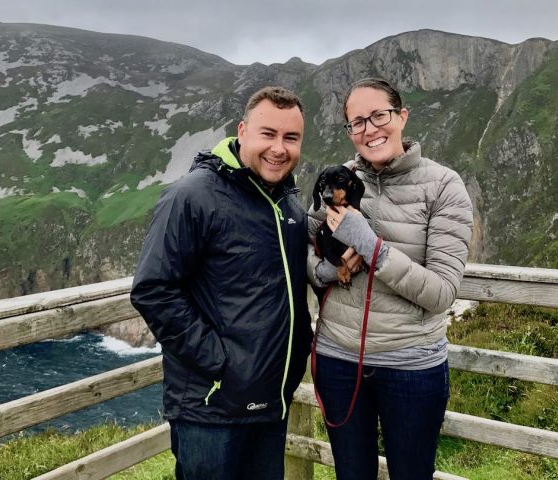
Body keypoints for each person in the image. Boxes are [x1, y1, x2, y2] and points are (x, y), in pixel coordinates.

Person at [130, 86, 313, 480]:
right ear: (242, 131)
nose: (279, 148)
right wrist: (221, 364)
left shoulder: (288, 204)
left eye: (290, 137)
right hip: (210, 408)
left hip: (270, 401)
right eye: (268, 134)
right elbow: (153, 288)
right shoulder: (192, 196)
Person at [307, 77, 473, 480]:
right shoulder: (337, 180)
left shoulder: (444, 186)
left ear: (402, 116)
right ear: (349, 131)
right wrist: (329, 269)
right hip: (338, 359)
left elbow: (441, 293)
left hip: (412, 365)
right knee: (350, 474)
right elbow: (303, 257)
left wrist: (371, 246)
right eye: (357, 122)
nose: (370, 129)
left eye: (379, 115)